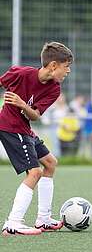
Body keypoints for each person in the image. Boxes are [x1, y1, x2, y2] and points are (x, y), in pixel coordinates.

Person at [0, 42, 73, 235]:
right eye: (66, 66)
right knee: (34, 172)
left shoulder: (54, 89)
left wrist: (23, 104)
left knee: (50, 163)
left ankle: (43, 219)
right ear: (53, 65)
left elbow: (35, 115)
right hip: (9, 126)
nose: (69, 71)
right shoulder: (21, 73)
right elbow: (2, 82)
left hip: (25, 128)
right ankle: (13, 224)